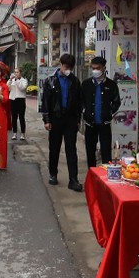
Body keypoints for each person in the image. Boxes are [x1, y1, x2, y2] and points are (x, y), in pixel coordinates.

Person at [40, 53, 84, 191]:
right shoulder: (50, 81)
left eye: (70, 67)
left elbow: (79, 102)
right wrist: (46, 120)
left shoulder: (75, 81)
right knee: (54, 148)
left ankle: (73, 180)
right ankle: (53, 174)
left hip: (70, 119)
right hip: (55, 119)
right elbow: (45, 102)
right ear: (60, 65)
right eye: (66, 66)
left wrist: (78, 120)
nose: (68, 69)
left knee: (71, 149)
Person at [81, 56, 122, 169]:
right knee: (90, 152)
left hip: (105, 124)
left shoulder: (111, 85)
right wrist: (85, 111)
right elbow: (81, 100)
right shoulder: (86, 84)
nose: (95, 71)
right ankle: (92, 175)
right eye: (93, 68)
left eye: (98, 68)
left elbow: (116, 102)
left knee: (106, 153)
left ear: (104, 68)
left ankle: (105, 176)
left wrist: (109, 112)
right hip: (90, 124)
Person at [8, 67, 29, 141]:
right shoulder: (13, 80)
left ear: (20, 73)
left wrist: (16, 80)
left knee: (21, 117)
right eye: (15, 72)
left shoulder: (24, 80)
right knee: (13, 117)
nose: (16, 74)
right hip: (13, 99)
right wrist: (10, 80)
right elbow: (7, 87)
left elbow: (22, 88)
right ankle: (14, 133)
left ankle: (23, 134)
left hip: (20, 100)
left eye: (17, 72)